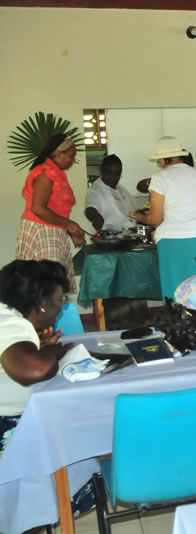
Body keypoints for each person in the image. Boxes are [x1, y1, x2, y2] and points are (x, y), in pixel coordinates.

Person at [0, 259, 94, 516]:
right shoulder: (11, 324)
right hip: (5, 427)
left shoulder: (8, 316)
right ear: (42, 302)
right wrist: (51, 353)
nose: (60, 308)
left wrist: (36, 347)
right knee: (77, 451)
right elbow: (34, 370)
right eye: (59, 300)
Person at [135, 136, 196, 301]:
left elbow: (155, 220)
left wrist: (139, 217)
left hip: (173, 239)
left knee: (176, 289)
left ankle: (176, 323)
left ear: (164, 159)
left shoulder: (159, 177)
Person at [15, 134, 85, 293]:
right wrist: (69, 225)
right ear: (59, 154)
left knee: (52, 283)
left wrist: (70, 230)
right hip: (41, 230)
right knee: (46, 285)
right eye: (71, 156)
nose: (73, 160)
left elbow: (57, 209)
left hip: (52, 229)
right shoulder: (46, 174)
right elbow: (38, 209)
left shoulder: (57, 173)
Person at [85, 154, 138, 232]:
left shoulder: (121, 188)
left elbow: (133, 211)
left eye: (117, 174)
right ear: (102, 171)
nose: (113, 178)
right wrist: (95, 217)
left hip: (128, 235)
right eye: (109, 173)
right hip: (110, 238)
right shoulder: (95, 190)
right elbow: (90, 208)